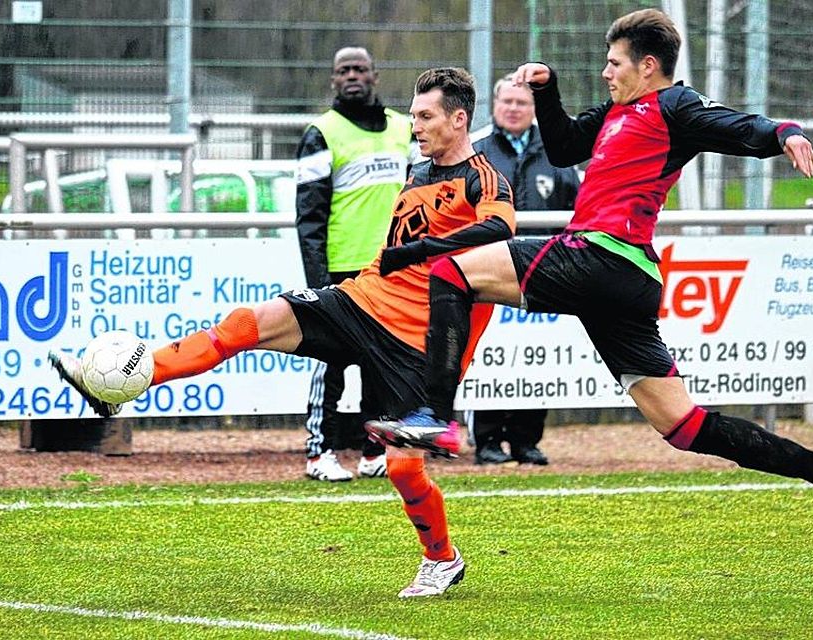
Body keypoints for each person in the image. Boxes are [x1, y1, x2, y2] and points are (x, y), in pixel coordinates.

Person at [366, 8, 813, 544]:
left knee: (450, 270)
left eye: (614, 63)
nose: (607, 72)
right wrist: (547, 89)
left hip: (601, 254)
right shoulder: (616, 111)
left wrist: (785, 132)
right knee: (684, 426)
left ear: (647, 65)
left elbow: (736, 125)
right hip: (618, 280)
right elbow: (562, 148)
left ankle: (436, 416)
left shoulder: (675, 105)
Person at [49, 67, 516, 596]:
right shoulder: (418, 172)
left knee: (403, 469)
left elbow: (501, 229)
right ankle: (130, 380)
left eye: (426, 117)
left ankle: (442, 558)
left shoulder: (485, 176)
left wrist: (423, 255)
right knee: (253, 321)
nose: (416, 125)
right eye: (413, 116)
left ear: (459, 119)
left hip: (418, 342)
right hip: (364, 301)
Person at [295, 46, 414, 482]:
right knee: (330, 365)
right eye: (343, 69)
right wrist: (317, 282)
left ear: (374, 76)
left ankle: (372, 451)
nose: (351, 76)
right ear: (332, 80)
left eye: (359, 69)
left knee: (383, 365)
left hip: (392, 268)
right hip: (341, 269)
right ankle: (319, 453)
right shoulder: (321, 132)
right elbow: (308, 215)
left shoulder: (405, 128)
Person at [469, 73, 581, 466]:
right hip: (489, 269)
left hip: (544, 269)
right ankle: (485, 439)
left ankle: (526, 440)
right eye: (507, 102)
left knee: (538, 354)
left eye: (522, 103)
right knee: (490, 353)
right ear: (495, 105)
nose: (514, 109)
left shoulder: (557, 153)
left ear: (533, 109)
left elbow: (576, 210)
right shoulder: (477, 152)